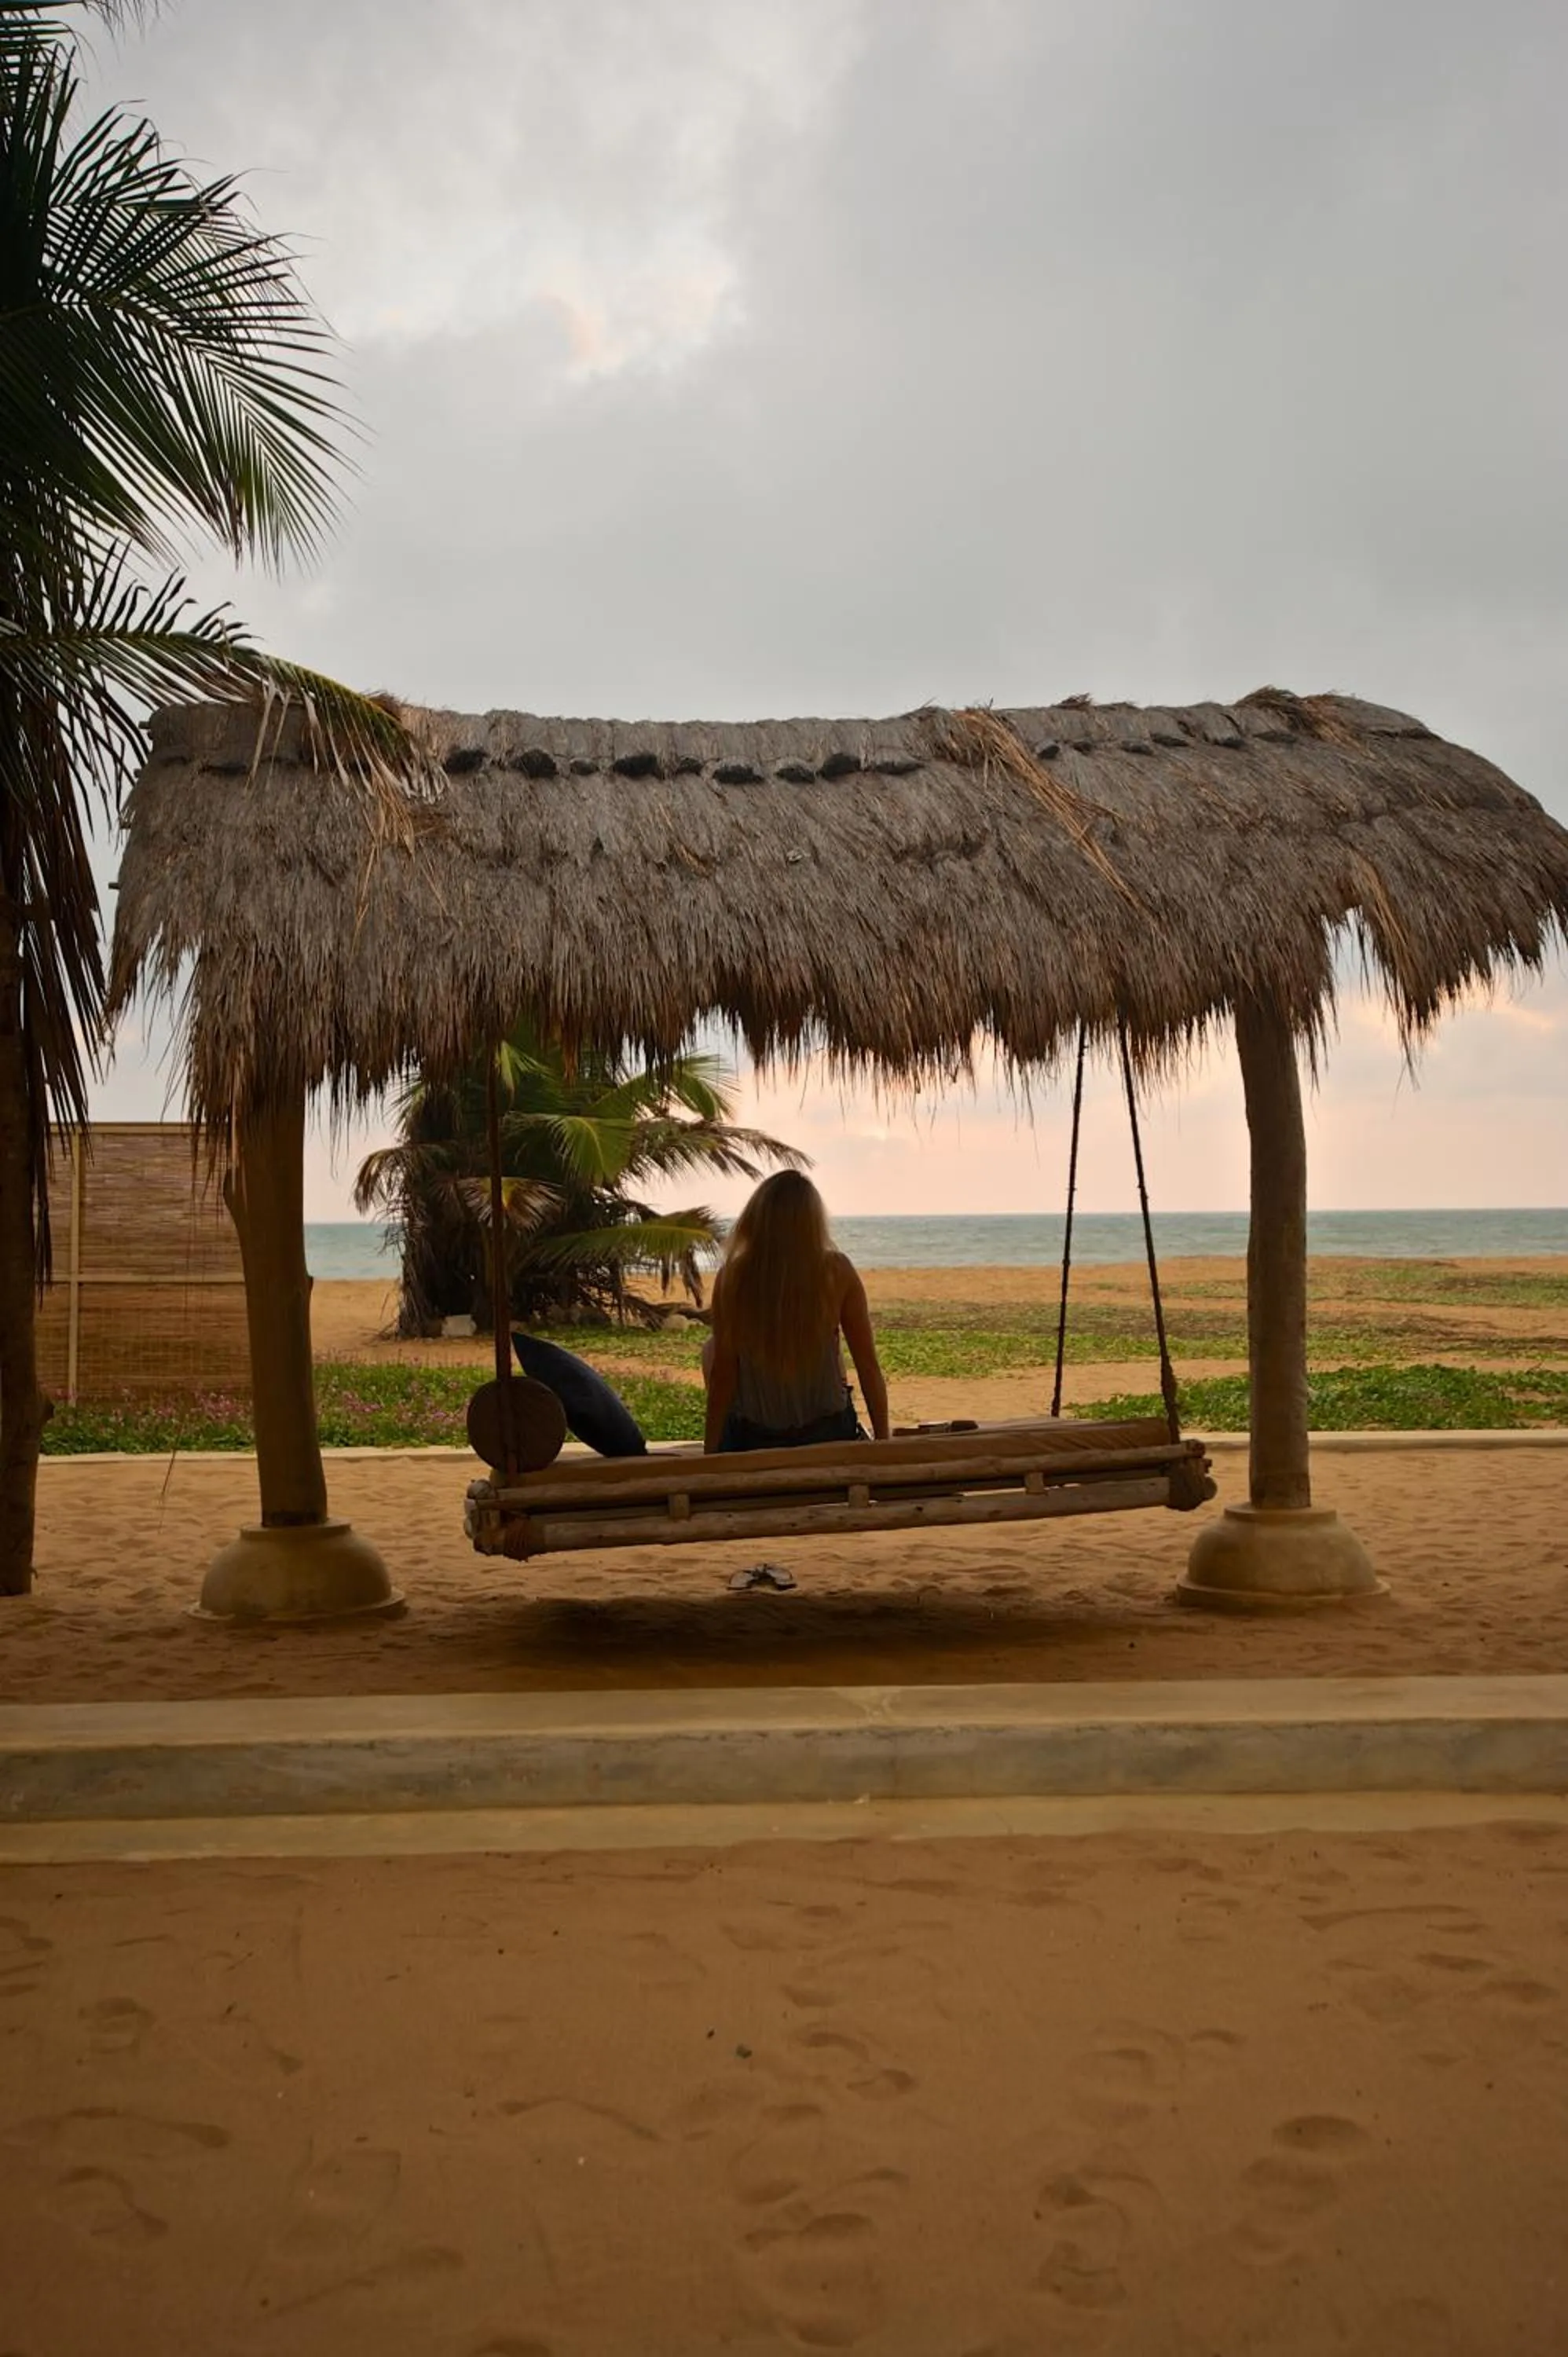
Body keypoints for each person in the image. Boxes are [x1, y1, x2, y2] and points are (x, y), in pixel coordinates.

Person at [702, 1171, 890, 1453]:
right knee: (832, 1348)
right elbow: (867, 1365)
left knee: (712, 1349)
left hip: (756, 1438)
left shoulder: (733, 1278)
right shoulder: (837, 1272)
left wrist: (711, 1453)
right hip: (828, 1434)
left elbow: (723, 1376)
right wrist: (884, 1442)